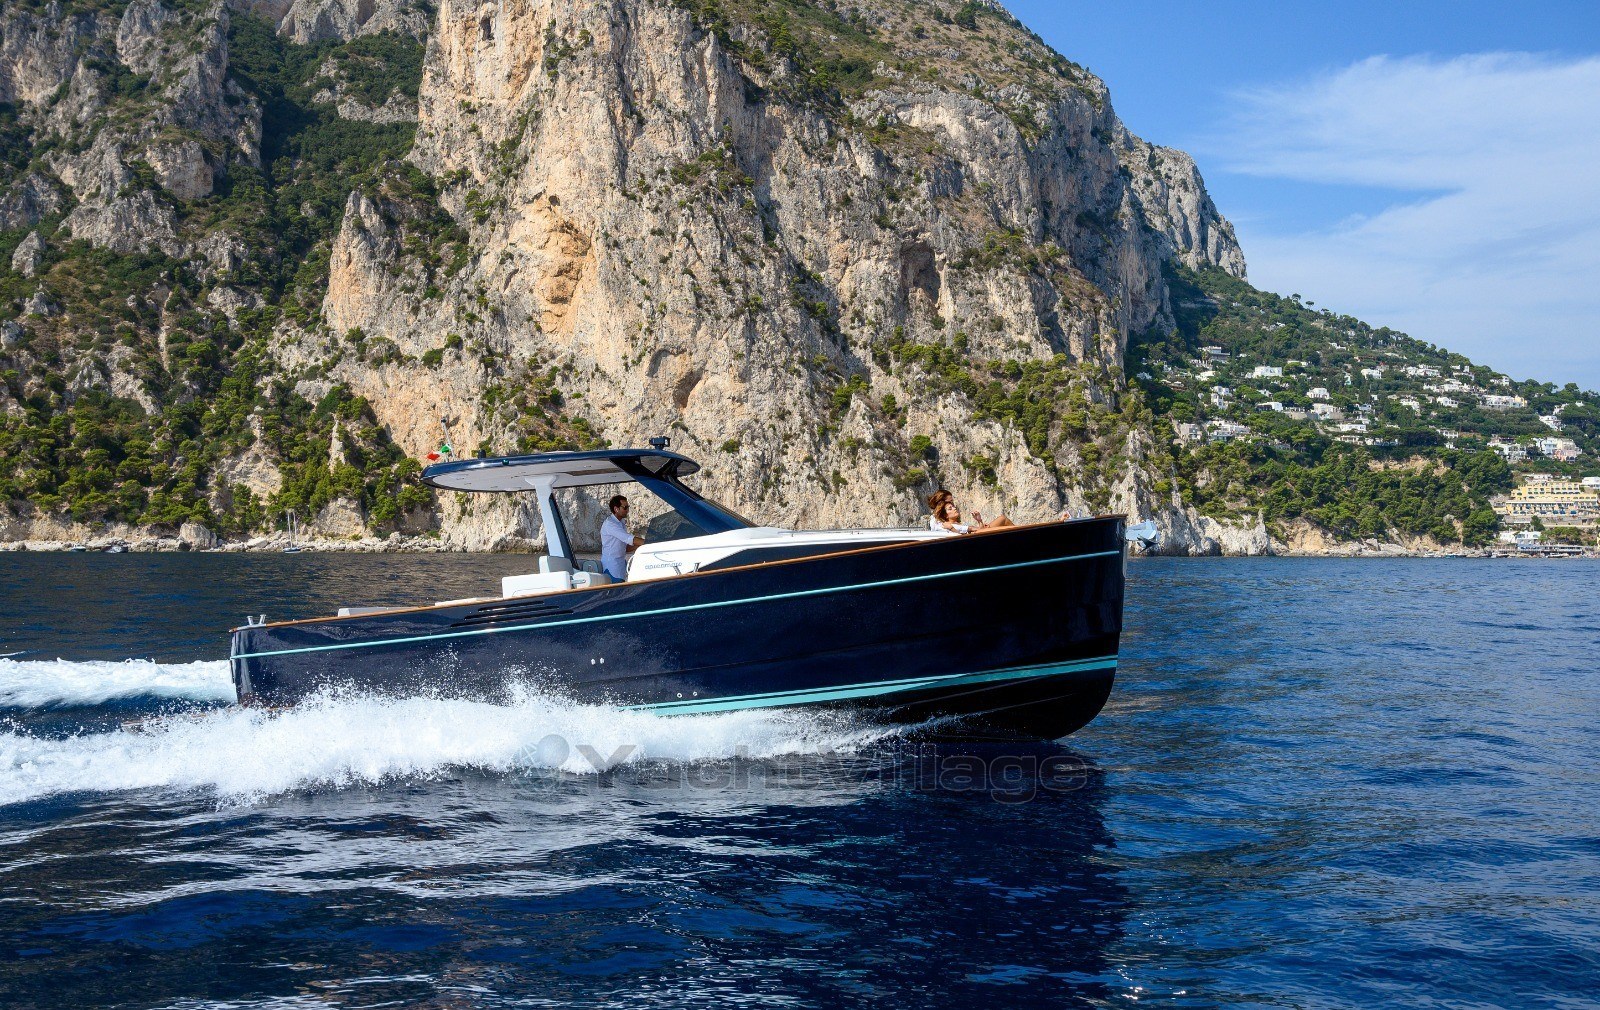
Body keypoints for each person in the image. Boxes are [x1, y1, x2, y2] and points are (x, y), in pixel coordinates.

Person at [927, 488, 1015, 534]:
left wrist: (979, 521)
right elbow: (943, 529)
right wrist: (969, 528)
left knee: (1002, 519)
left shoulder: (951, 520)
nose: (953, 505)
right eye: (950, 501)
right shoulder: (935, 520)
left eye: (952, 501)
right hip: (969, 537)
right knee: (980, 531)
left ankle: (1019, 535)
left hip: (973, 535)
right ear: (942, 502)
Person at [600, 494, 645, 580]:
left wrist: (643, 545)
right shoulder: (610, 524)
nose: (627, 510)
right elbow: (628, 539)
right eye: (625, 507)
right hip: (612, 567)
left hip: (621, 565)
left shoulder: (621, 522)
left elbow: (625, 547)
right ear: (616, 509)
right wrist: (649, 542)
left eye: (628, 507)